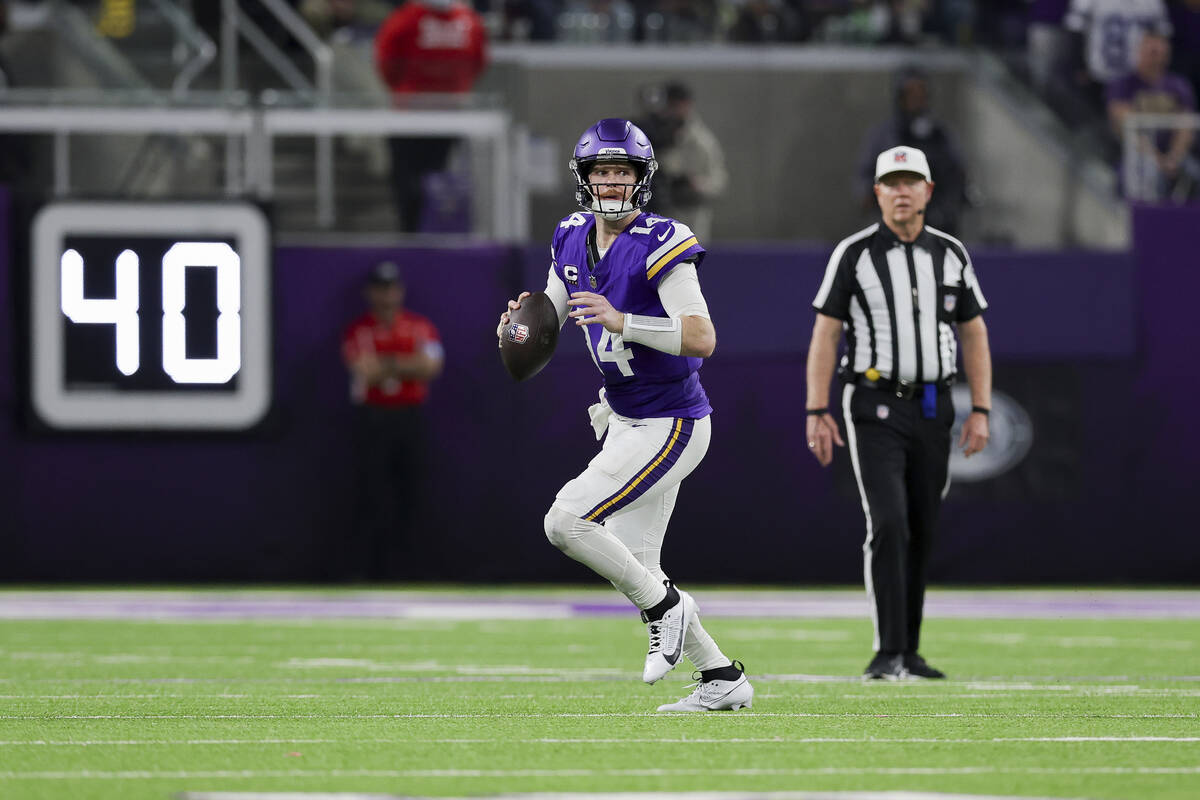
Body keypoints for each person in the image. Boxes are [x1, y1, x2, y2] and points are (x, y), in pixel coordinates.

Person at [496, 118, 752, 712]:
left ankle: (667, 609)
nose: (612, 183)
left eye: (623, 172)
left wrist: (624, 321)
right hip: (622, 418)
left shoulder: (662, 239)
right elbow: (552, 317)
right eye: (602, 172)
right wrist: (519, 326)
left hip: (672, 422)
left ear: (641, 180)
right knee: (637, 564)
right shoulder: (570, 236)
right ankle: (719, 676)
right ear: (585, 179)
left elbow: (702, 338)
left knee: (567, 522)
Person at [805, 145, 992, 681]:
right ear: (878, 192)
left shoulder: (951, 254)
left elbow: (973, 330)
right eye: (893, 182)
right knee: (888, 520)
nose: (902, 190)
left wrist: (980, 407)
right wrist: (817, 407)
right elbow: (827, 331)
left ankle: (909, 650)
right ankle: (887, 650)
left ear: (929, 192)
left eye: (912, 182)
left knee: (924, 526)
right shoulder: (855, 253)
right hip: (874, 402)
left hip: (934, 405)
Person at [341, 261, 444, 580]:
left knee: (412, 493)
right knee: (372, 493)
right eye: (380, 289)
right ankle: (369, 571)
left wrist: (387, 363)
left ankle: (411, 571)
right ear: (370, 292)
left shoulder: (420, 326)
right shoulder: (359, 330)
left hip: (409, 418)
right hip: (373, 419)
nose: (387, 296)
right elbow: (364, 370)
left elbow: (430, 366)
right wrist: (405, 363)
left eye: (391, 288)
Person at [374, 0, 488, 232]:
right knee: (426, 180)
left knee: (417, 182)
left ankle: (418, 231)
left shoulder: (407, 18)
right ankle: (423, 231)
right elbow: (478, 63)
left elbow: (386, 61)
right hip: (432, 114)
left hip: (416, 114)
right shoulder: (467, 21)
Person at [856, 66, 970, 237]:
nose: (917, 99)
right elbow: (864, 174)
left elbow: (958, 173)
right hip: (894, 222)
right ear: (900, 97)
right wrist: (866, 193)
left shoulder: (941, 134)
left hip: (939, 221)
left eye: (921, 93)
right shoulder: (884, 135)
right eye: (911, 93)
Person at [1107, 30, 1198, 202]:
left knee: (1192, 174)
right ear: (1139, 51)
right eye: (1152, 52)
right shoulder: (1122, 84)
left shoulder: (1179, 85)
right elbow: (1127, 129)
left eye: (1162, 53)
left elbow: (1186, 127)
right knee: (1141, 174)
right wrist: (1156, 159)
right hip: (1136, 156)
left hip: (1173, 156)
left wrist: (1173, 158)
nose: (1157, 59)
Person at [650, 81, 729, 243]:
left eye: (674, 105)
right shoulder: (651, 136)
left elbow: (719, 181)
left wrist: (696, 184)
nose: (670, 111)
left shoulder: (701, 142)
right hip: (656, 219)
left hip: (689, 220)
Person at [1064, 0, 1173, 116]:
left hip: (1136, 80)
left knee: (1132, 125)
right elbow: (1075, 32)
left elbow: (1161, 40)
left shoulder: (1153, 4)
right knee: (1091, 123)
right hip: (1097, 74)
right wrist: (1079, 65)